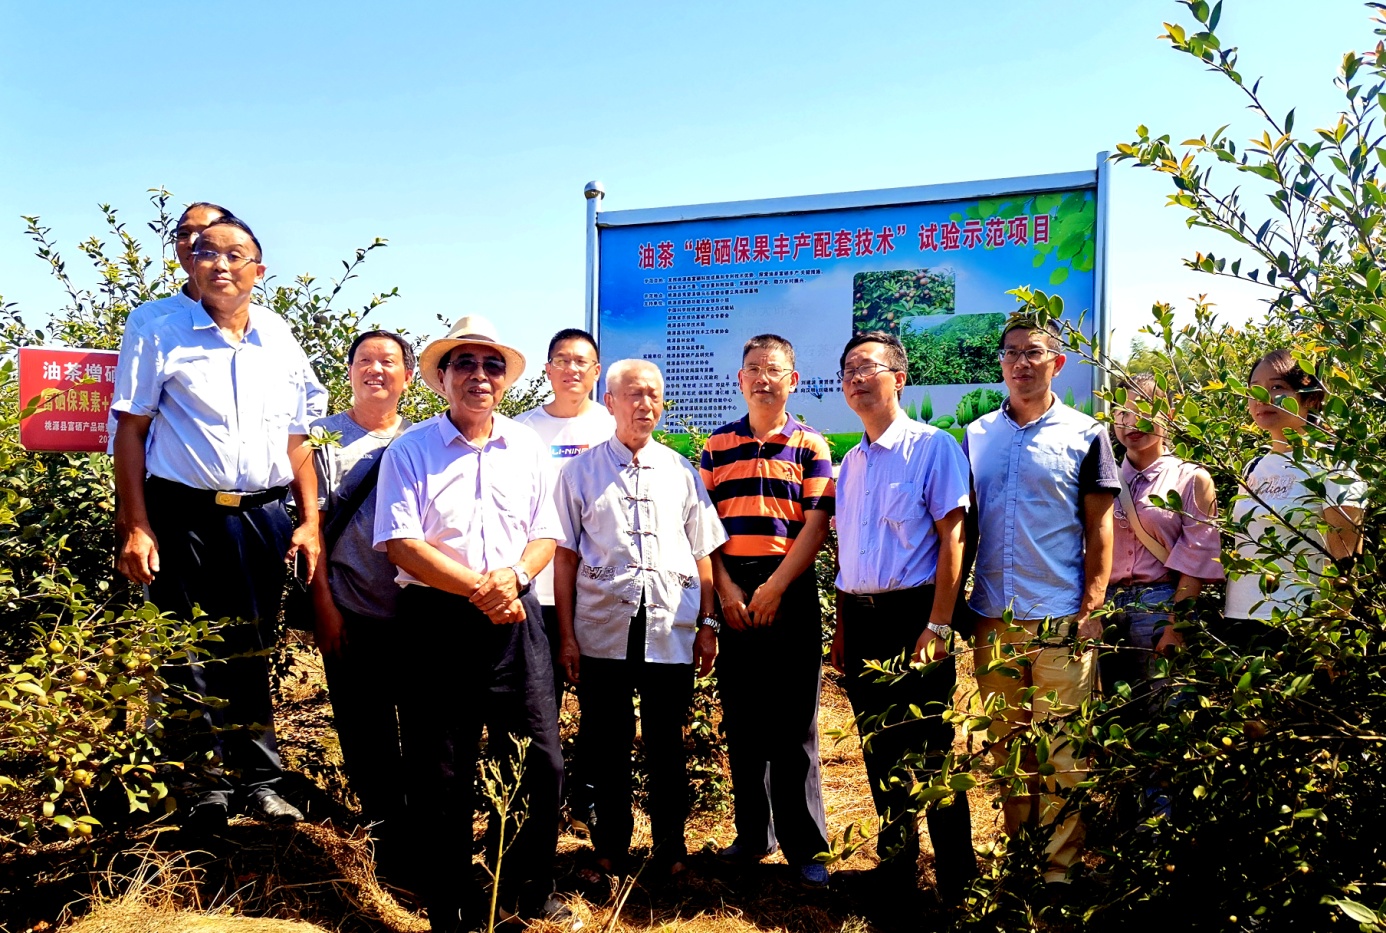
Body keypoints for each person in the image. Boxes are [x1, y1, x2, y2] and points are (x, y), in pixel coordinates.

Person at [111, 216, 325, 832]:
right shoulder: (159, 329)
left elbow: (299, 437)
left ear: (259, 270)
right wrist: (135, 524)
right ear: (191, 263)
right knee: (185, 652)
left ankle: (259, 781)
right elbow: (131, 430)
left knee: (252, 647)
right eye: (208, 252)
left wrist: (309, 520)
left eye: (236, 255)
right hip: (182, 513)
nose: (221, 265)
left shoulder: (279, 336)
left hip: (260, 515)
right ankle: (202, 785)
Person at [373, 315, 566, 932]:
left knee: (540, 760)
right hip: (436, 621)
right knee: (441, 768)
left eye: (491, 366)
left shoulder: (527, 447)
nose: (479, 376)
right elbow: (401, 543)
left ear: (505, 380)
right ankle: (452, 902)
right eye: (465, 364)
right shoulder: (410, 450)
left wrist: (515, 578)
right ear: (442, 377)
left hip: (515, 614)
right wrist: (484, 589)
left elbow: (545, 533)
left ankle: (525, 888)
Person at [552, 359, 727, 883]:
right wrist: (567, 636)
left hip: (669, 628)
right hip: (602, 628)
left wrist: (708, 623)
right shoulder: (580, 473)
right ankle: (610, 850)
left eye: (653, 395)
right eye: (633, 394)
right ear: (609, 402)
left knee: (667, 742)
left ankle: (672, 850)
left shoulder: (680, 471)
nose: (644, 404)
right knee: (607, 742)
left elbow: (703, 551)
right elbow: (564, 558)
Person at [964, 315, 1118, 891]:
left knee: (1064, 753)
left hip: (1060, 616)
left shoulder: (1086, 434)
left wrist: (1092, 608)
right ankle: (1020, 860)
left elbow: (1101, 529)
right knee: (1008, 750)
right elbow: (966, 530)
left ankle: (1059, 871)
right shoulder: (977, 435)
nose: (1021, 363)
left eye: (1033, 352)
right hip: (993, 618)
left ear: (1058, 362)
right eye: (1011, 353)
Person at [830, 330, 977, 902]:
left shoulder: (933, 447)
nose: (856, 378)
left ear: (899, 377)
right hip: (862, 618)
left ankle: (958, 880)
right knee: (878, 748)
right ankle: (897, 869)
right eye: (848, 370)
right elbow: (850, 555)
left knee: (932, 748)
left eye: (867, 367)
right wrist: (842, 628)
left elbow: (954, 539)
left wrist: (938, 624)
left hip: (915, 616)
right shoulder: (851, 462)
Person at [700, 334, 834, 888]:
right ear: (740, 379)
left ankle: (807, 846)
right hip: (733, 590)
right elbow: (704, 529)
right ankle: (753, 836)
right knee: (743, 721)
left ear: (792, 380)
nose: (763, 378)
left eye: (774, 369)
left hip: (790, 587)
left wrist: (776, 587)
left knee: (795, 725)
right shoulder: (717, 446)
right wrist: (726, 590)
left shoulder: (810, 444)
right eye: (753, 368)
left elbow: (816, 527)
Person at [308, 330, 414, 871]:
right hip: (351, 611)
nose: (376, 369)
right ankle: (386, 850)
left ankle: (422, 842)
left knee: (423, 734)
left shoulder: (425, 439)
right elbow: (312, 531)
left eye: (388, 361)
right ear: (348, 371)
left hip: (419, 618)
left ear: (409, 377)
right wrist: (323, 608)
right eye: (365, 360)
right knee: (365, 735)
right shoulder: (322, 440)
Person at [513, 327, 615, 830]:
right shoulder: (520, 431)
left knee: (599, 706)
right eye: (562, 360)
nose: (571, 369)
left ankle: (586, 801)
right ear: (547, 369)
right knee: (537, 706)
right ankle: (537, 806)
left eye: (582, 362)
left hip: (596, 593)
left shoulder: (611, 426)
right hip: (536, 593)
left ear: (596, 372)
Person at [1221, 349, 1365, 649]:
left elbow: (1346, 561)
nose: (1262, 398)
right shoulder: (1253, 468)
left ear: (1309, 398)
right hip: (1241, 619)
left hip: (1303, 624)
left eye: (1277, 387)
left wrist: (1328, 638)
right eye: (1254, 389)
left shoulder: (1334, 465)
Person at [1103, 373, 1223, 695]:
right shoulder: (1103, 480)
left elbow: (1197, 558)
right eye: (1122, 413)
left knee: (1165, 707)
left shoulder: (1192, 478)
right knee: (1114, 711)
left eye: (1143, 410)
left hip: (1161, 605)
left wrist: (1176, 627)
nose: (1132, 422)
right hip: (1107, 609)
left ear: (1167, 414)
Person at [106, 202, 233, 452]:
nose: (192, 242)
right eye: (183, 234)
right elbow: (127, 416)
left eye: (205, 232)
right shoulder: (148, 320)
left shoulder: (264, 325)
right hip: (169, 472)